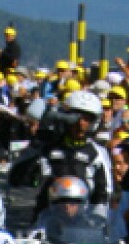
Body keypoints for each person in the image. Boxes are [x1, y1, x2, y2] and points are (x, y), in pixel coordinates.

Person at [28, 90, 114, 222]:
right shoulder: (48, 147)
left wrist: (97, 219)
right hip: (47, 218)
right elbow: (21, 177)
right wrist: (40, 136)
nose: (81, 123)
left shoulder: (98, 152)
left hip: (84, 222)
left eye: (87, 118)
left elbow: (104, 191)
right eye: (76, 117)